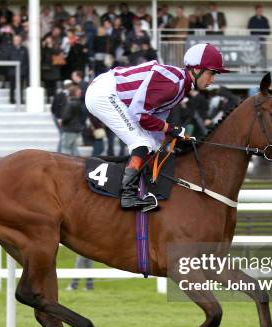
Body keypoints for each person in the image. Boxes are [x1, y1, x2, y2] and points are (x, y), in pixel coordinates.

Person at [85, 43, 229, 210]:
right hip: (103, 93)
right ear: (196, 70)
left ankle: (137, 186)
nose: (213, 79)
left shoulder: (181, 86)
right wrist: (171, 129)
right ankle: (128, 196)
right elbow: (140, 115)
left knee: (150, 144)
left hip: (108, 92)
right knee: (141, 144)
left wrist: (177, 139)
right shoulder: (173, 82)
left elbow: (155, 129)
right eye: (211, 73)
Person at [60, 85, 84, 155]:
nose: (80, 92)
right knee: (74, 148)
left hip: (70, 128)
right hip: (77, 128)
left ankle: (66, 164)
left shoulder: (70, 103)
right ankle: (78, 164)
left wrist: (62, 121)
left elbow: (66, 117)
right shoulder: (79, 103)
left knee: (66, 148)